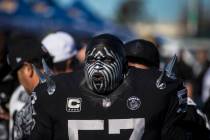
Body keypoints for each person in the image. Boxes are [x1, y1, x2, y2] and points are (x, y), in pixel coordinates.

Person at [27, 33, 203, 140]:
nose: (98, 68)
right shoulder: (53, 93)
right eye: (93, 60)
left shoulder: (161, 92)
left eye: (107, 60)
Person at [125, 39, 210, 139]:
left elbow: (200, 125)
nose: (135, 72)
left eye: (140, 66)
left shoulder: (174, 100)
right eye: (130, 66)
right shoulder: (107, 97)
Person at [7, 32, 53, 140]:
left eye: (17, 74)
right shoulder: (72, 89)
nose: (20, 82)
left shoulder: (28, 111)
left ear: (28, 69)